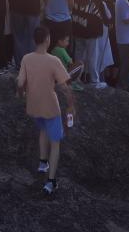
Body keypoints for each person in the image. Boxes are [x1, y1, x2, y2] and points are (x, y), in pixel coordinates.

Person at [17, 24, 77, 196]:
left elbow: (20, 83)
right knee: (56, 144)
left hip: (33, 106)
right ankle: (50, 182)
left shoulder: (26, 58)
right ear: (47, 39)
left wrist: (21, 94)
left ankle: (43, 163)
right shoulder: (53, 61)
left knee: (43, 129)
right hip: (51, 107)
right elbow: (65, 87)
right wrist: (72, 105)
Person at [71, 0, 110, 89]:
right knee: (93, 55)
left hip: (78, 27)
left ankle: (75, 78)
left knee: (79, 55)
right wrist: (107, 21)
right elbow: (101, 6)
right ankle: (94, 80)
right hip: (91, 28)